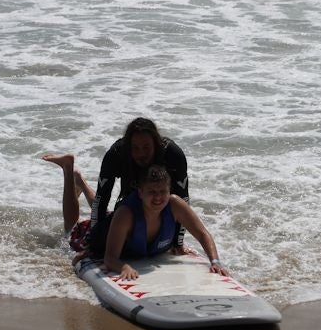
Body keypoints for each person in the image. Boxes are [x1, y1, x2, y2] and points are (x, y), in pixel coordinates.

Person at [41, 154, 229, 280]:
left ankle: (80, 181)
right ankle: (68, 169)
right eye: (151, 192)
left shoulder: (175, 204)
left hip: (115, 223)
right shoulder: (126, 214)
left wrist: (215, 261)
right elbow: (109, 258)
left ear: (169, 190)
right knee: (71, 227)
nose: (158, 198)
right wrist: (122, 267)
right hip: (101, 234)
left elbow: (203, 233)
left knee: (108, 215)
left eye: (162, 191)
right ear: (140, 192)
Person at [91, 117, 192, 255]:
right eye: (135, 148)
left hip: (161, 206)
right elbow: (101, 198)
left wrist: (177, 243)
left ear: (155, 145)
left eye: (146, 147)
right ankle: (72, 173)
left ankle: (80, 182)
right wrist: (94, 240)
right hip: (129, 206)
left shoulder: (173, 155)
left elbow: (183, 200)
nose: (141, 154)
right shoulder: (116, 154)